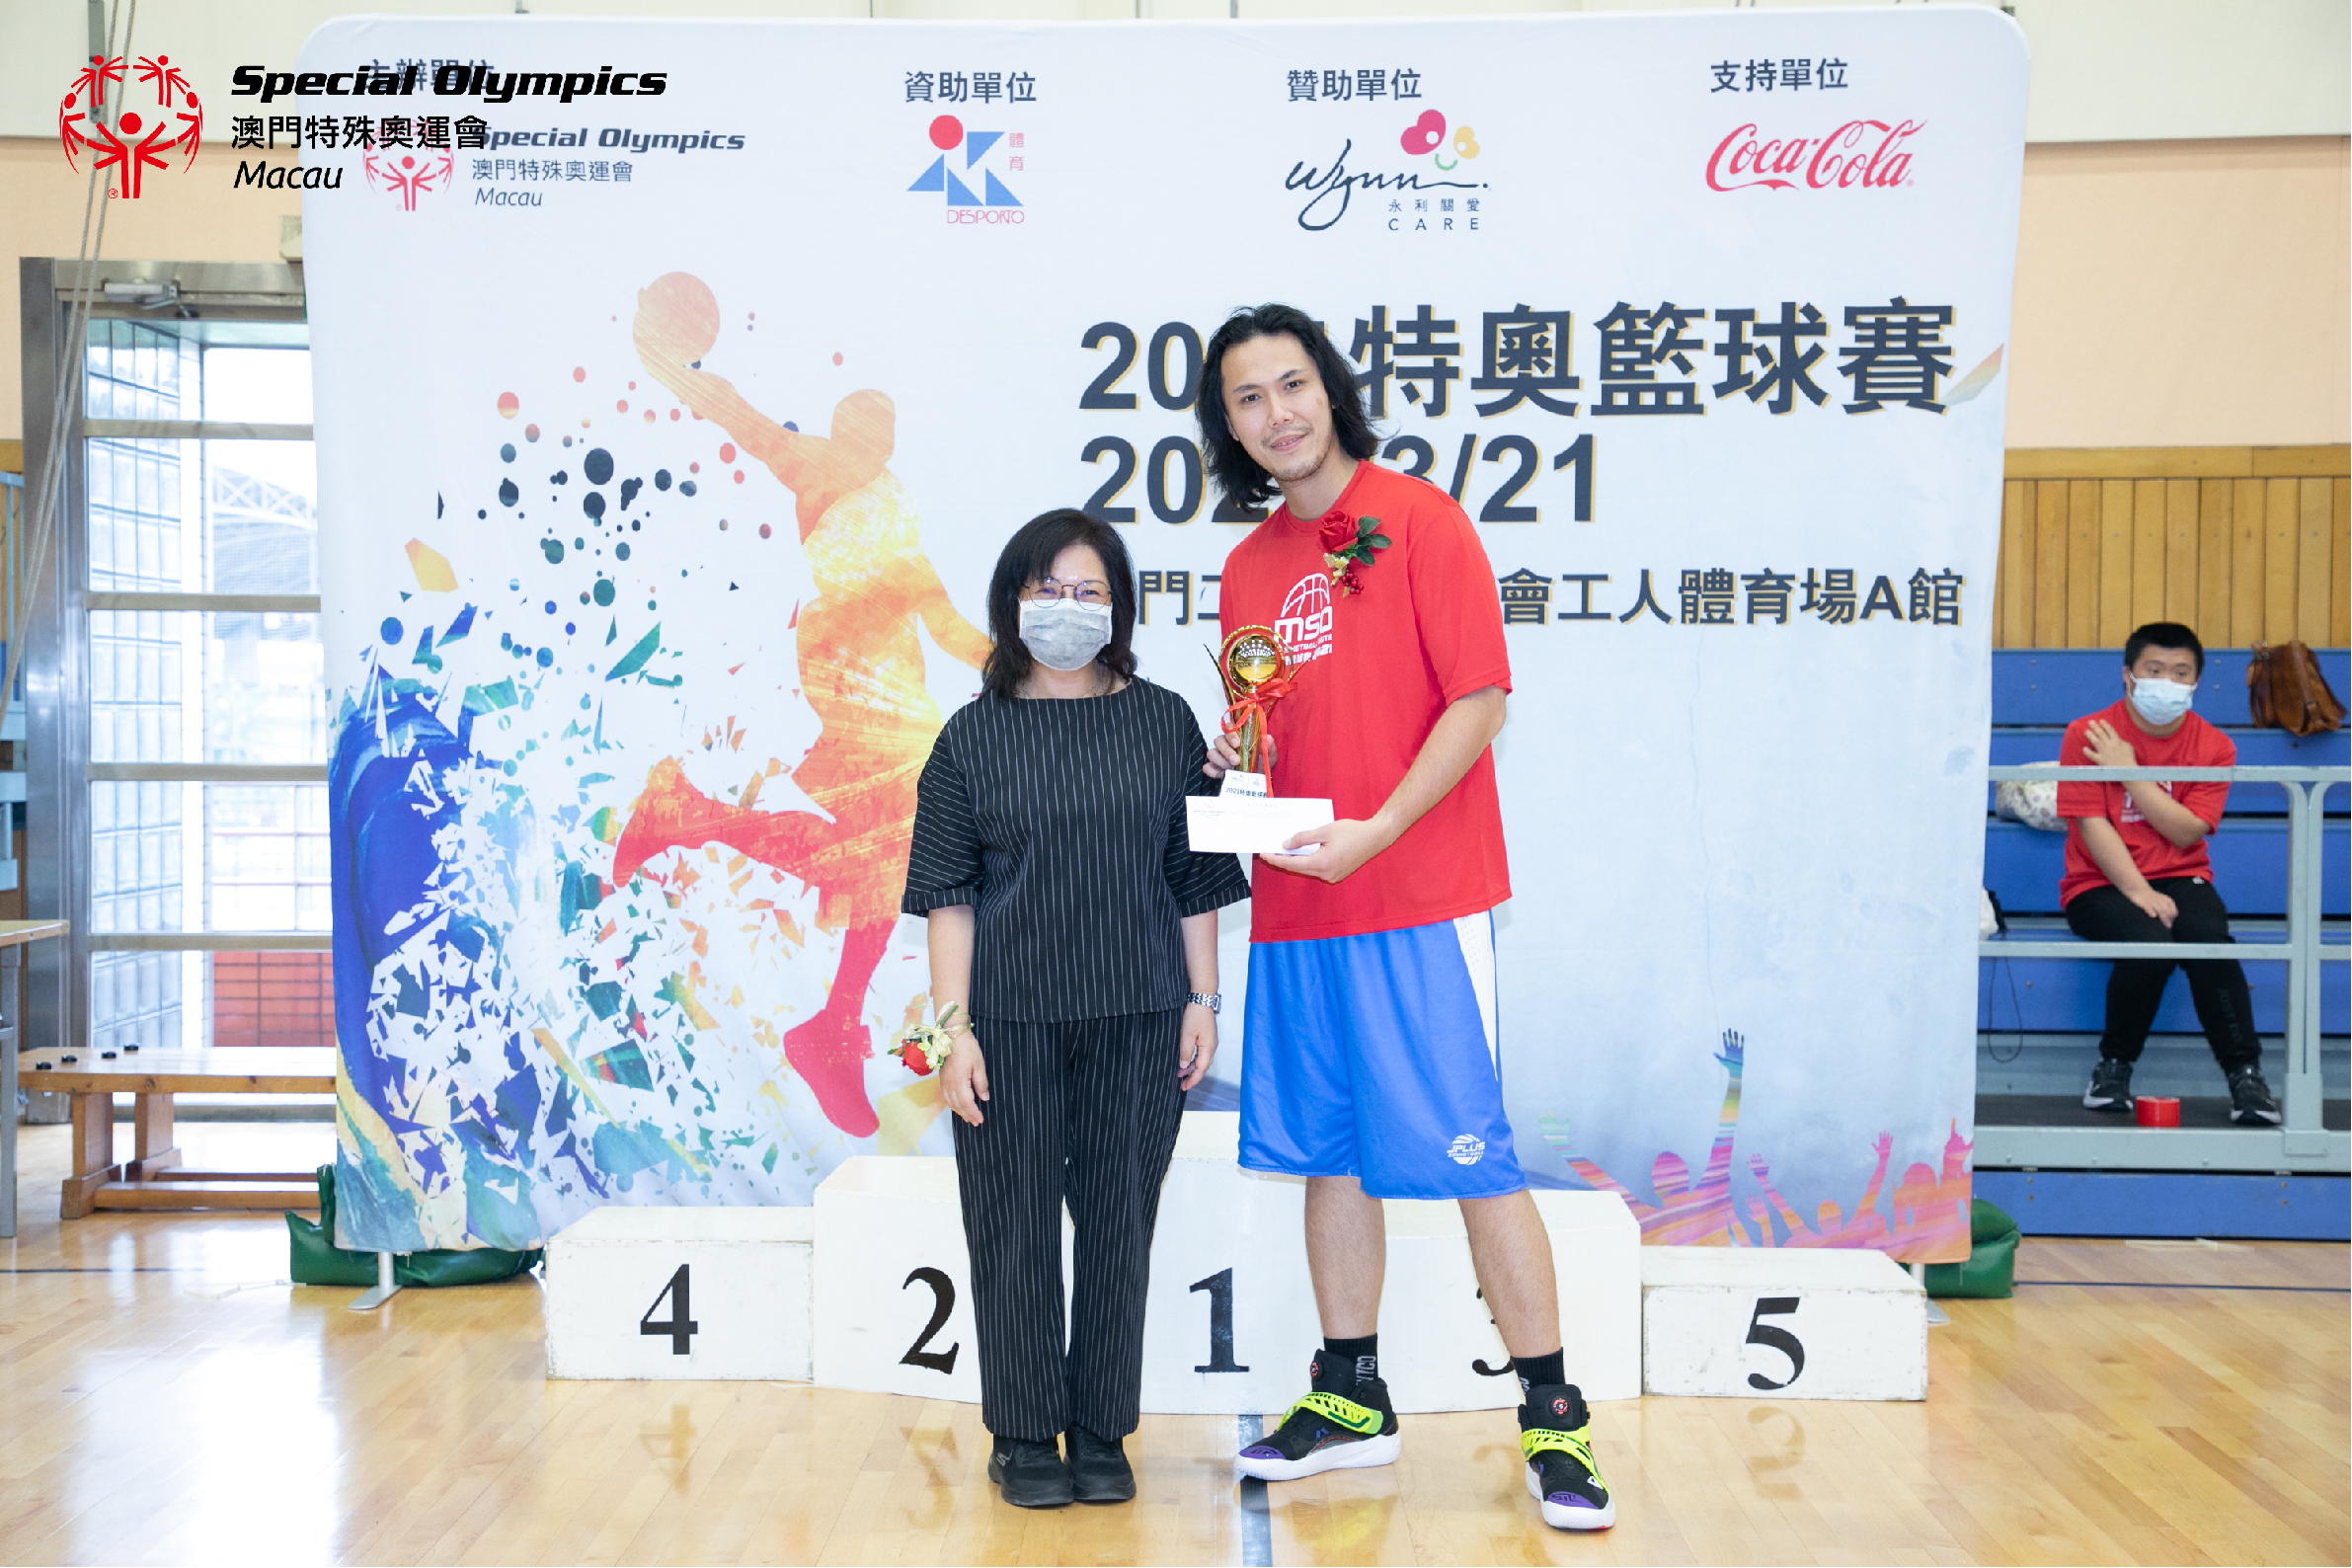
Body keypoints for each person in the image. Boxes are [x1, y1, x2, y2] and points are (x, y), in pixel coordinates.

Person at [1195, 303, 1613, 1533]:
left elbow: (1480, 702)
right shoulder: (1247, 568)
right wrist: (1240, 761)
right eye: (1248, 398)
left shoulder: (1421, 518)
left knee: (1475, 1156)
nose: (1277, 413)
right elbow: (1287, 721)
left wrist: (1377, 830)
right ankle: (1350, 1392)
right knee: (1328, 1153)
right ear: (1229, 427)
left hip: (1420, 897)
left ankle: (1553, 1415)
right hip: (1298, 901)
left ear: (1330, 388)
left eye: (1292, 384)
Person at [901, 509, 1250, 1509]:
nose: (1066, 606)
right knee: (1010, 1224)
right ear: (1011, 603)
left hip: (1141, 1015)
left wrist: (1203, 1000)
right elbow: (948, 898)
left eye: (1088, 590)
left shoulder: (1165, 722)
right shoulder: (970, 737)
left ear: (1119, 608)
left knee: (1117, 1224)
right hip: (1006, 1024)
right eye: (1046, 589)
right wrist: (950, 1034)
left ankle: (1101, 1427)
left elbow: (1193, 878)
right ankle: (1022, 1432)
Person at [2061, 621, 2279, 1124]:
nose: (2167, 681)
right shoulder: (2087, 734)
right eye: (2154, 670)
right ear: (2128, 675)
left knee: (2209, 942)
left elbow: (2186, 831)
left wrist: (2130, 773)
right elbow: (2092, 826)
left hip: (2183, 876)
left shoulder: (2214, 746)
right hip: (2099, 883)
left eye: (2180, 672)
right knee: (2150, 946)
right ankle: (2112, 1069)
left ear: (2196, 681)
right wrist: (2138, 891)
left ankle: (2246, 1077)